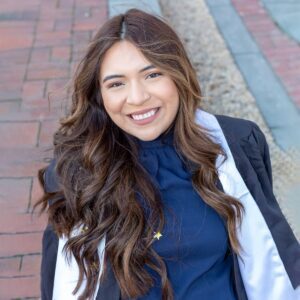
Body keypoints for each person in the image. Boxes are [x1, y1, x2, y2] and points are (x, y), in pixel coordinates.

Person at [36, 8, 300, 300]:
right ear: (99, 94)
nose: (137, 98)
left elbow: (269, 249)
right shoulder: (77, 171)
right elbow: (60, 279)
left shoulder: (237, 146)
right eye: (116, 83)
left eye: (152, 74)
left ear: (178, 74)